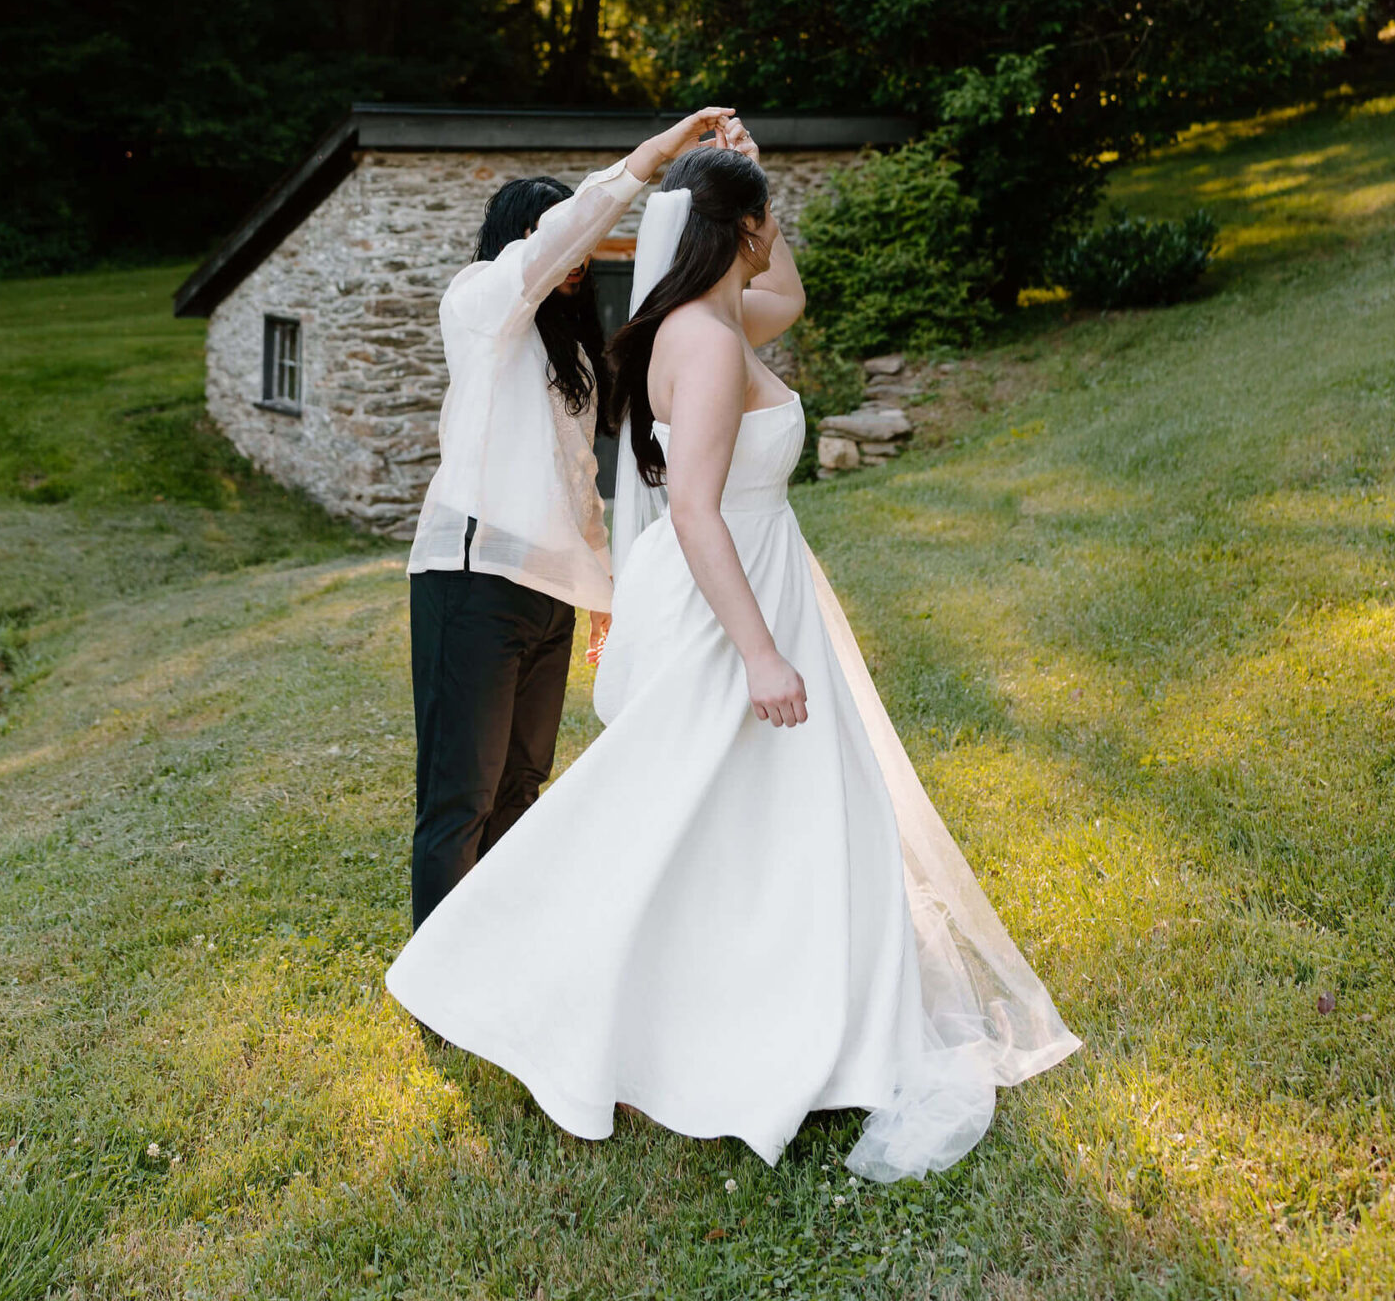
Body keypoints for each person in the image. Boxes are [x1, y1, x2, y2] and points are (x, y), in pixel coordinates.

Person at [388, 125, 1081, 1180]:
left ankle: (703, 990)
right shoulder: (494, 302)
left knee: (586, 792)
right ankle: (457, 972)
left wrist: (758, 198)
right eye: (762, 224)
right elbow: (699, 507)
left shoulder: (686, 322)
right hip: (520, 581)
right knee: (489, 793)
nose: (575, 259)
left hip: (622, 584)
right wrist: (761, 653)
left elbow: (769, 314)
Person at [405, 105, 737, 928]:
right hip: (471, 580)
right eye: (560, 243)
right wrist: (650, 159)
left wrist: (599, 593)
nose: (577, 261)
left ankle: (503, 947)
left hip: (548, 593)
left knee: (522, 786)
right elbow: (562, 232)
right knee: (461, 795)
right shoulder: (478, 306)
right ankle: (438, 976)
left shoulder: (569, 358)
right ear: (521, 240)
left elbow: (578, 482)